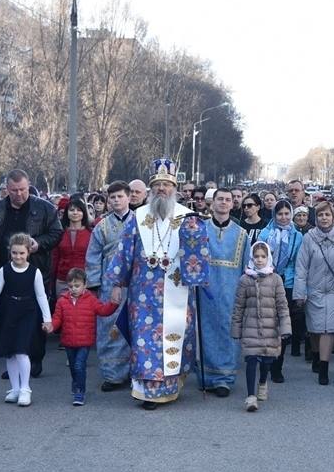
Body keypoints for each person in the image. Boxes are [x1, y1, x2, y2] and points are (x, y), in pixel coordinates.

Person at [107, 158, 210, 410]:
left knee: (174, 340)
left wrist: (196, 236)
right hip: (143, 295)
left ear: (174, 189)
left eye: (166, 185)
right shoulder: (138, 217)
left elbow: (199, 253)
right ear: (151, 190)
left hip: (177, 291)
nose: (162, 189)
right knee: (145, 341)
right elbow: (124, 251)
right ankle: (147, 390)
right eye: (157, 185)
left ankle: (170, 386)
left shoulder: (188, 218)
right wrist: (117, 282)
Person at [0, 169, 62, 378]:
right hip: (6, 272)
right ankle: (14, 361)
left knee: (34, 318)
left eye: (23, 189)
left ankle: (34, 359)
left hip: (35, 269)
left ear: (29, 187)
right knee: (9, 318)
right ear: (6, 190)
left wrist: (39, 244)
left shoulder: (44, 208)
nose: (19, 194)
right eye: (14, 190)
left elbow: (56, 233)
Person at [293, 200, 334, 385]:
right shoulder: (309, 238)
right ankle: (316, 354)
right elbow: (301, 268)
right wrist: (300, 293)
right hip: (314, 290)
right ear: (316, 217)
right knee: (316, 329)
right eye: (320, 215)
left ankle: (324, 368)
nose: (324, 218)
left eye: (328, 214)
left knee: (330, 329)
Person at [0, 233, 52, 407]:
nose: (18, 256)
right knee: (10, 352)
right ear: (10, 252)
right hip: (8, 312)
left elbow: (41, 296)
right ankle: (14, 388)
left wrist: (47, 319)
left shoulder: (34, 272)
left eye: (21, 253)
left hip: (28, 313)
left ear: (28, 253)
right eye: (15, 253)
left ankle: (25, 388)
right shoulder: (4, 270)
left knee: (22, 351)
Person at [198, 188, 250, 395]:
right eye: (220, 199)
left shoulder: (241, 234)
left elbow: (247, 266)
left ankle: (224, 379)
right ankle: (205, 376)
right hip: (204, 291)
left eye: (228, 200)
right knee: (205, 331)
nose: (223, 203)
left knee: (229, 332)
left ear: (232, 204)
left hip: (231, 292)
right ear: (212, 203)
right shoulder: (199, 229)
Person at [231, 241, 291, 412]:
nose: (259, 260)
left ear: (268, 258)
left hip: (270, 328)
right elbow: (238, 306)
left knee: (266, 361)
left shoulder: (276, 279)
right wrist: (236, 328)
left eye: (263, 256)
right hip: (250, 328)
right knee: (251, 360)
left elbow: (282, 305)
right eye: (256, 256)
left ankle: (263, 381)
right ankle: (251, 396)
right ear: (251, 257)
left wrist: (286, 327)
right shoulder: (245, 280)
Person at [85, 181, 133, 390]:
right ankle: (112, 375)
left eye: (120, 196)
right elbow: (93, 256)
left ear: (129, 197)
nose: (116, 200)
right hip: (108, 284)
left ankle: (136, 373)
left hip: (135, 284)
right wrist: (94, 284)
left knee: (134, 327)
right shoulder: (101, 225)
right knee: (110, 328)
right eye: (112, 197)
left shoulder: (141, 222)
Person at [51, 267, 120, 405]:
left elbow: (103, 310)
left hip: (85, 341)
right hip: (69, 340)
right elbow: (57, 318)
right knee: (73, 367)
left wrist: (113, 304)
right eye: (70, 286)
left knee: (78, 366)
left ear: (85, 285)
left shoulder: (91, 300)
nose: (73, 289)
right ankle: (76, 383)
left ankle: (79, 392)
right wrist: (51, 326)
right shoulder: (62, 301)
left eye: (77, 286)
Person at [258, 199, 303, 380]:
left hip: (288, 283)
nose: (283, 217)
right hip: (267, 280)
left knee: (284, 324)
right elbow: (258, 258)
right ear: (274, 215)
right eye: (280, 214)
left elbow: (299, 263)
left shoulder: (297, 236)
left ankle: (278, 365)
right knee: (268, 323)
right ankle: (264, 361)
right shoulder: (265, 233)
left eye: (286, 214)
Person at [52, 196, 92, 298]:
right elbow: (55, 258)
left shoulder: (91, 233)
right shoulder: (59, 233)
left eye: (79, 210)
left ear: (84, 213)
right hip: (62, 279)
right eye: (72, 210)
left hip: (83, 281)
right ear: (66, 213)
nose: (75, 213)